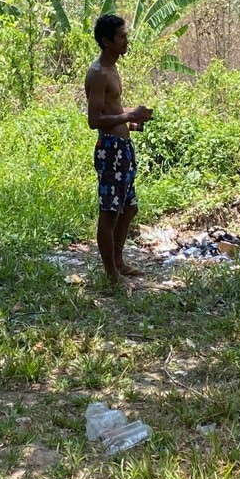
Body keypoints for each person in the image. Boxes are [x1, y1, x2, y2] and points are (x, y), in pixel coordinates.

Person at [85, 14, 152, 289]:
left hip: (123, 148)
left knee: (129, 207)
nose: (126, 40)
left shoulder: (113, 69)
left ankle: (118, 260)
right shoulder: (99, 73)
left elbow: (112, 110)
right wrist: (126, 117)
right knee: (110, 212)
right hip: (110, 150)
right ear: (106, 41)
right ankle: (112, 274)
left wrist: (132, 119)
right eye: (121, 36)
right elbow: (94, 120)